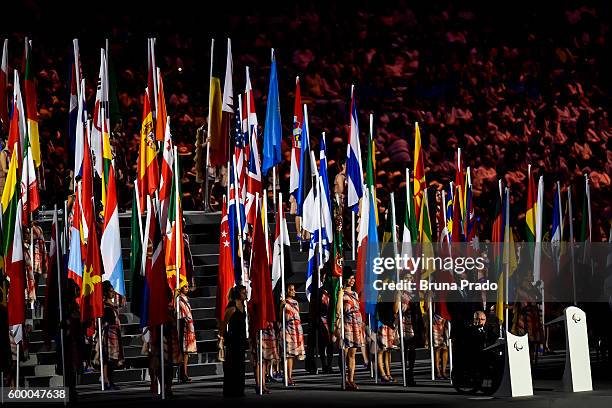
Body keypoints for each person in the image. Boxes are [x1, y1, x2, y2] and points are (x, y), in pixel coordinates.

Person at [336, 269, 364, 390]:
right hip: (346, 325)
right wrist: (340, 296)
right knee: (344, 353)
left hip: (356, 325)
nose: (352, 280)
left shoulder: (355, 294)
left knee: (352, 354)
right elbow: (338, 310)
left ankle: (351, 379)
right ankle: (344, 378)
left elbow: (358, 309)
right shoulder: (341, 293)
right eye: (350, 278)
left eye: (354, 278)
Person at [219, 285, 247, 398]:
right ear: (238, 294)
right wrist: (221, 337)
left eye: (245, 293)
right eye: (243, 293)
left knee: (241, 365)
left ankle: (239, 389)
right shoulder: (232, 306)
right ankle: (230, 390)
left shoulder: (243, 305)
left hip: (241, 338)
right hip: (232, 339)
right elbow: (223, 322)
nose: (245, 295)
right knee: (232, 365)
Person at [96, 281, 124, 390]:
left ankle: (110, 380)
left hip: (114, 333)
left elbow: (119, 305)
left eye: (113, 291)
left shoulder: (112, 304)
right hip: (108, 334)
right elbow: (105, 321)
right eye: (111, 291)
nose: (113, 293)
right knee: (107, 359)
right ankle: (106, 380)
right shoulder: (105, 306)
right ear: (106, 292)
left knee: (113, 359)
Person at [281, 284, 305, 385]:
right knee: (288, 355)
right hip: (288, 330)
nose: (293, 291)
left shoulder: (295, 302)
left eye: (294, 289)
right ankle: (287, 376)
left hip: (296, 329)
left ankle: (289, 376)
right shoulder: (284, 302)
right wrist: (282, 306)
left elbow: (297, 315)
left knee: (293, 355)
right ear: (287, 291)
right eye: (291, 289)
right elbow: (280, 317)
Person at [176, 282, 197, 383]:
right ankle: (182, 374)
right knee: (182, 351)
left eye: (188, 286)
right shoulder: (178, 299)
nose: (187, 288)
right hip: (183, 325)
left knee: (186, 352)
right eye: (185, 286)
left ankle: (184, 373)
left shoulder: (187, 298)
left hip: (188, 326)